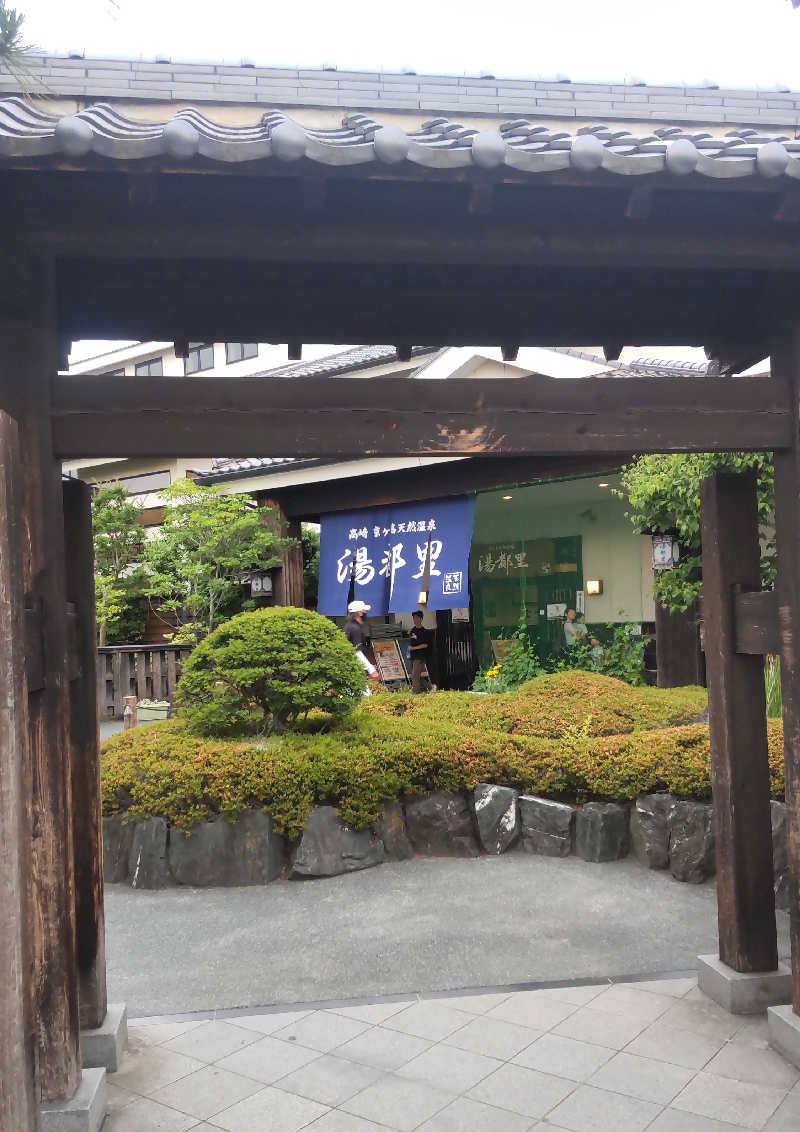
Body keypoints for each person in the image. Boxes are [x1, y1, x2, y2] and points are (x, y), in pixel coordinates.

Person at [343, 600, 380, 683]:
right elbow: (356, 652)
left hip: (348, 667)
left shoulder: (349, 626)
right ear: (359, 613)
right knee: (364, 693)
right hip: (353, 669)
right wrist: (371, 669)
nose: (365, 613)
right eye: (364, 611)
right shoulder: (355, 629)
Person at [408, 610, 433, 693]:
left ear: (421, 619)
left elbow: (425, 645)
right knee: (416, 675)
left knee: (415, 675)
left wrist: (414, 648)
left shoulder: (424, 631)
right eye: (413, 618)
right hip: (412, 656)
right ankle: (430, 687)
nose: (415, 620)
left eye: (417, 618)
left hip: (420, 656)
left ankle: (415, 693)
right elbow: (411, 639)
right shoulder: (412, 630)